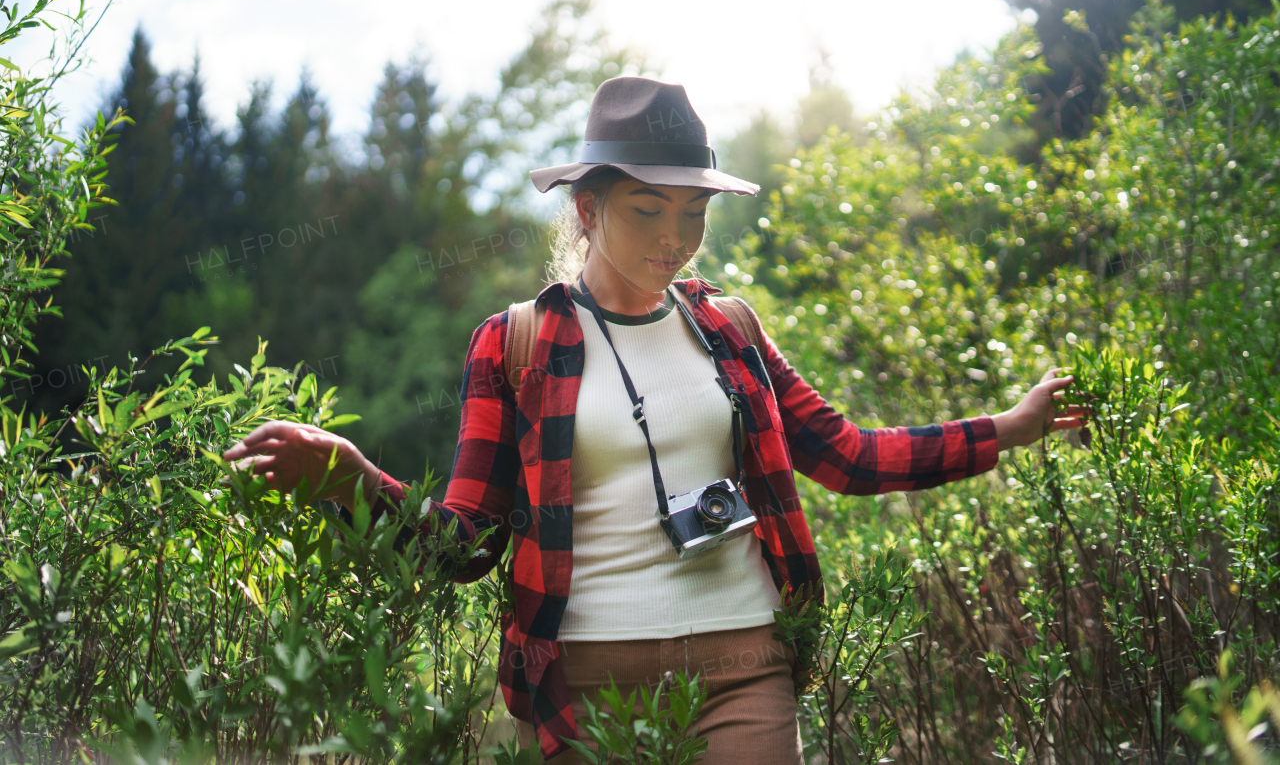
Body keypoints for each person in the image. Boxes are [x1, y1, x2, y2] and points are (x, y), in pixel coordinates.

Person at [222, 76, 1086, 764]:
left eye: (695, 212)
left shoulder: (730, 328)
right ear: (587, 210)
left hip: (743, 670)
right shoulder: (516, 345)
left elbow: (848, 456)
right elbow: (466, 546)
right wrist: (344, 477)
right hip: (582, 690)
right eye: (648, 209)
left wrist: (1008, 428)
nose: (675, 237)